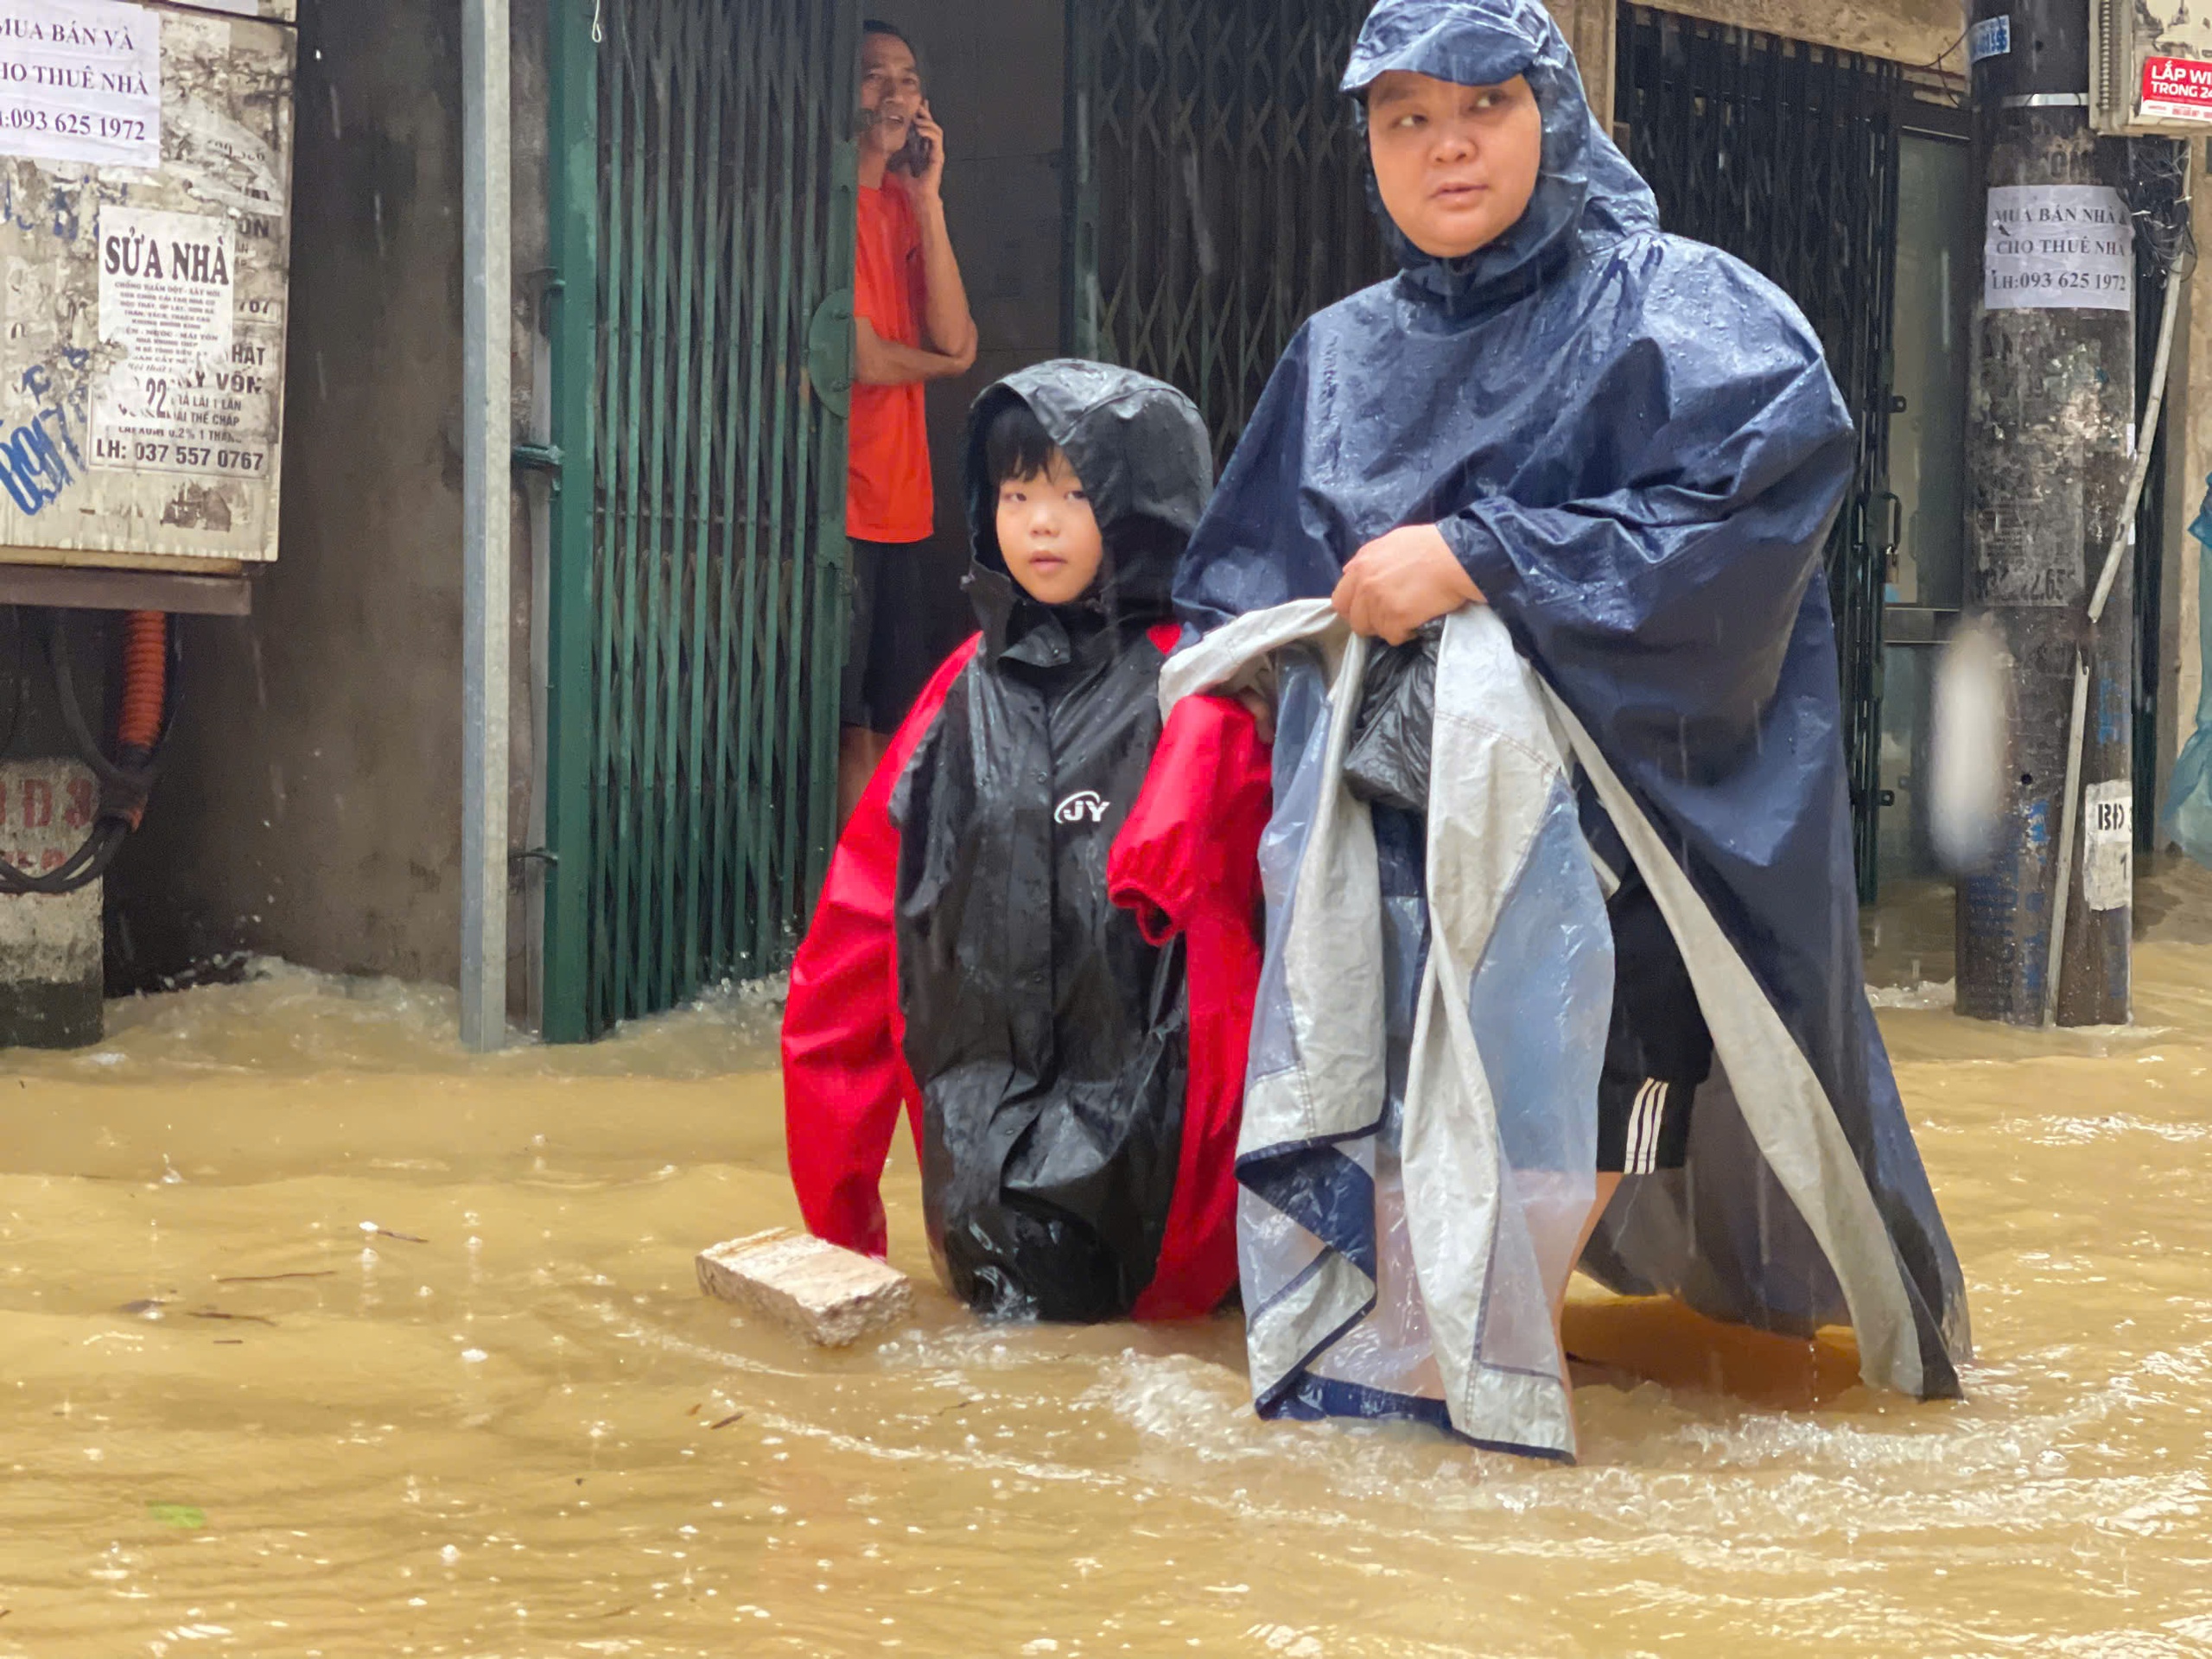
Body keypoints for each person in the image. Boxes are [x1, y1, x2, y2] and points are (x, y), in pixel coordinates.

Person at [1170, 0, 1970, 1450]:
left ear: (1555, 109)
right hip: (1398, 845)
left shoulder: (1686, 310)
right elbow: (1244, 599)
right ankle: (1418, 1426)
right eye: (1407, 117)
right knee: (1393, 1128)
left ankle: (1477, 1422)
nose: (1447, 145)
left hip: (1628, 849)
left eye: (1483, 104)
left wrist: (1482, 556)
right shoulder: (1336, 358)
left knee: (1572, 1116)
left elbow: (1754, 512)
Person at [782, 362, 1271, 1323]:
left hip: (1182, 1229)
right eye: (1015, 496)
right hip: (981, 1211)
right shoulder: (955, 700)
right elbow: (848, 961)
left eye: (1075, 495)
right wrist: (839, 1244)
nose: (1040, 524)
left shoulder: (1209, 700)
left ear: (1142, 508)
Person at [841, 19, 979, 823]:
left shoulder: (901, 204)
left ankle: (861, 887)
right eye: (874, 75)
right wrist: (944, 367)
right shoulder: (830, 205)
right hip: (839, 504)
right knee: (841, 726)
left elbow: (956, 335)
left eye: (908, 79)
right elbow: (862, 358)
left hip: (902, 502)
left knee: (883, 724)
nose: (894, 94)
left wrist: (929, 199)